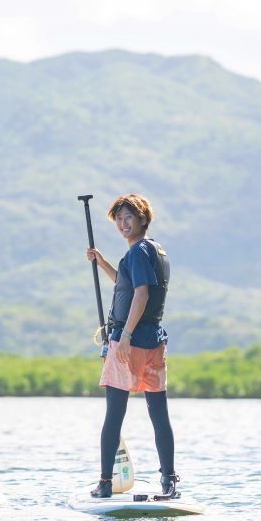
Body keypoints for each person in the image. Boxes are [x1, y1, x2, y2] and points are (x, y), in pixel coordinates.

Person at [85, 194, 178, 498]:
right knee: (158, 413)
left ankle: (105, 483)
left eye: (129, 218)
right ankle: (169, 479)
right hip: (154, 341)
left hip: (130, 343)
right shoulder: (155, 250)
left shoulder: (138, 251)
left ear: (142, 219)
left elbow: (140, 295)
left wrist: (123, 336)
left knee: (114, 414)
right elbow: (126, 284)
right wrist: (104, 264)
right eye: (119, 219)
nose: (124, 224)